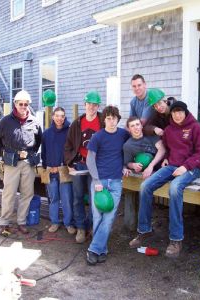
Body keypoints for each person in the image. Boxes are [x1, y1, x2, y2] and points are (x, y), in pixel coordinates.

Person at [129, 100, 200, 258]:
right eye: (175, 112)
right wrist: (165, 159)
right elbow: (167, 148)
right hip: (172, 165)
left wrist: (186, 167)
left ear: (185, 113)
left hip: (191, 168)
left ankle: (176, 239)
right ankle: (145, 230)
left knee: (175, 188)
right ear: (171, 113)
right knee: (145, 186)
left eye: (180, 112)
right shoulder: (169, 130)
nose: (177, 115)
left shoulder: (195, 127)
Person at [144, 88, 200, 180]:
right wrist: (154, 129)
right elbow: (145, 128)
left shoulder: (179, 108)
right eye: (155, 106)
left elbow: (193, 125)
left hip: (191, 148)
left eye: (160, 103)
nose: (158, 107)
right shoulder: (157, 115)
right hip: (179, 154)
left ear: (165, 100)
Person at [0, 90, 42, 235]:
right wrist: (3, 155)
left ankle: (21, 222)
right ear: (15, 104)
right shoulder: (5, 122)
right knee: (9, 193)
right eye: (21, 104)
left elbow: (38, 140)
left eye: (26, 104)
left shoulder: (34, 121)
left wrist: (31, 154)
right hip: (11, 162)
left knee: (27, 193)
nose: (24, 106)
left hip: (28, 163)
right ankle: (4, 223)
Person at [86, 105, 130, 265]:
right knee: (98, 217)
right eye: (109, 118)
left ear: (118, 119)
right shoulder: (98, 137)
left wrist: (127, 165)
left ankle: (93, 249)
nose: (112, 122)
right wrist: (96, 181)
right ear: (104, 120)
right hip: (100, 182)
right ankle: (101, 249)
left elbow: (130, 149)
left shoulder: (123, 135)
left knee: (109, 218)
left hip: (116, 182)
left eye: (114, 118)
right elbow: (90, 159)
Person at [64, 90, 104, 243]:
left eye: (95, 105)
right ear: (85, 104)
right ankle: (81, 227)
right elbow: (68, 145)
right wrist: (70, 164)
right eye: (89, 104)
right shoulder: (77, 123)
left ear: (98, 106)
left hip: (97, 166)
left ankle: (93, 227)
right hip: (80, 165)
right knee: (78, 197)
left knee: (95, 198)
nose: (92, 107)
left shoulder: (102, 121)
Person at [41, 106, 75, 234]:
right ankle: (54, 222)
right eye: (57, 115)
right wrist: (46, 167)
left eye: (62, 116)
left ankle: (68, 223)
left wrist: (66, 165)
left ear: (64, 117)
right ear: (53, 117)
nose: (59, 118)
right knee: (53, 198)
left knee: (66, 199)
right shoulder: (46, 134)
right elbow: (44, 152)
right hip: (51, 170)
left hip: (64, 170)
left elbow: (71, 151)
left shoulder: (69, 132)